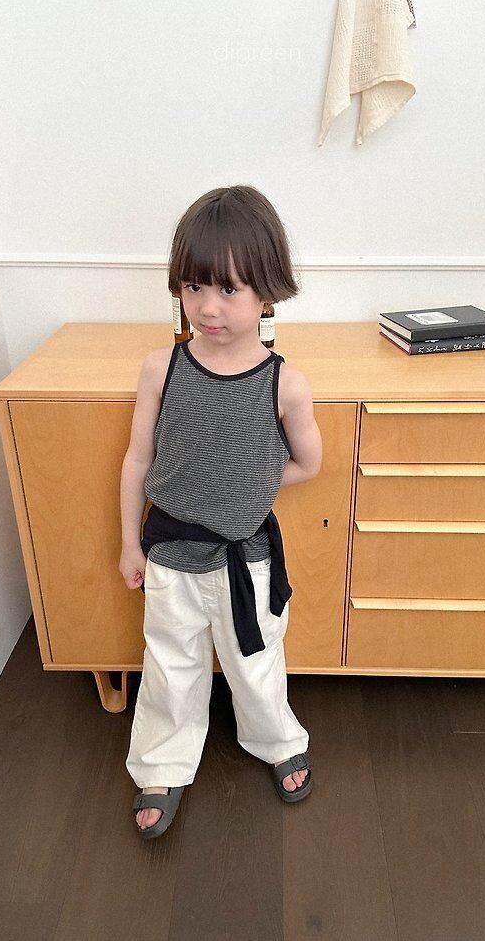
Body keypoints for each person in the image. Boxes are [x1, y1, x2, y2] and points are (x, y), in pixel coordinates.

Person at [118, 185, 322, 838]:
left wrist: (246, 487)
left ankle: (276, 739)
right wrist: (130, 544)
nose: (208, 306)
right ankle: (161, 763)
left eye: (229, 289)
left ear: (268, 291)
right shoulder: (161, 369)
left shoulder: (285, 383)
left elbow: (308, 463)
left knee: (255, 662)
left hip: (246, 561)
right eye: (194, 286)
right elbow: (138, 460)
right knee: (169, 665)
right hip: (170, 557)